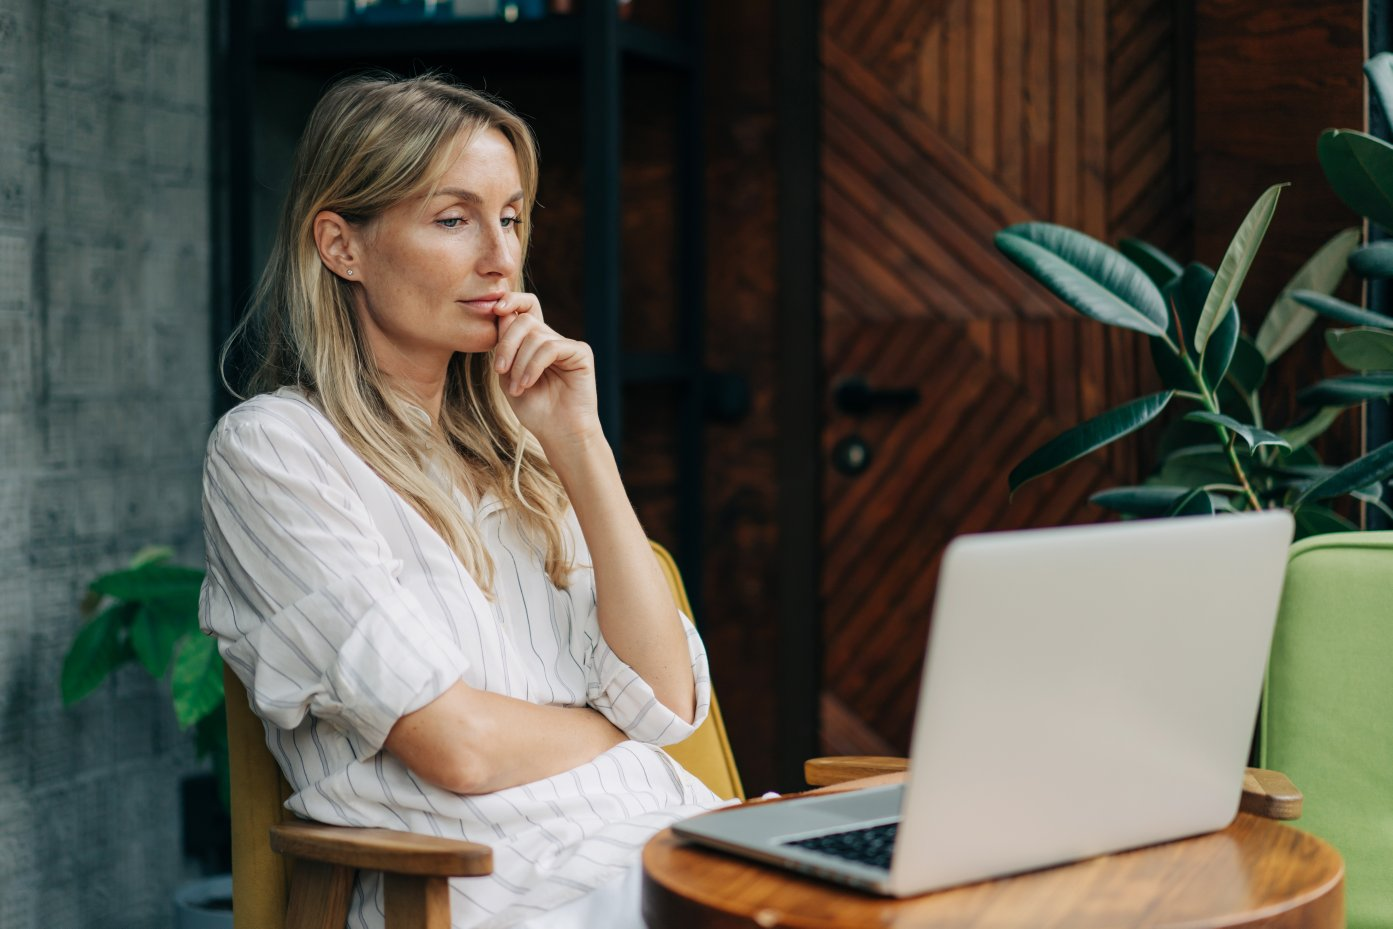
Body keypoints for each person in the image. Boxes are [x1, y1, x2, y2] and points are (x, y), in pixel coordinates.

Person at [199, 72, 724, 929]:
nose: (500, 256)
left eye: (512, 216)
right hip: (498, 888)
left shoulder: (525, 448)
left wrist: (579, 446)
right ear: (342, 245)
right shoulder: (276, 452)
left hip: (666, 841)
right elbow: (459, 748)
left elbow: (662, 700)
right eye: (454, 219)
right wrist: (606, 725)